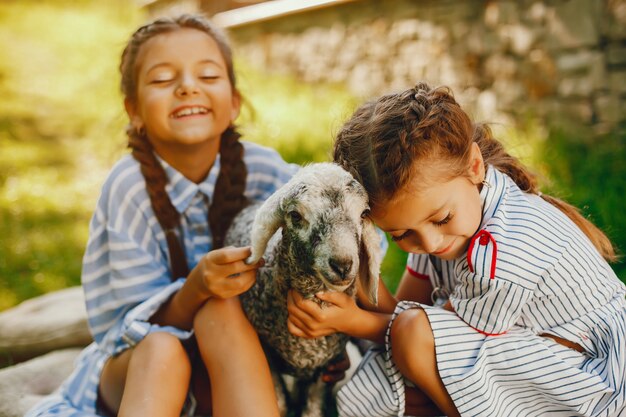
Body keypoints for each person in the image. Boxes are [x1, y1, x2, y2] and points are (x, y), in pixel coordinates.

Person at [286, 82, 626, 417]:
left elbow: (421, 336)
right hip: (534, 360)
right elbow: (404, 312)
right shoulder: (437, 224)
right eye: (402, 234)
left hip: (595, 378)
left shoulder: (505, 248)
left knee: (410, 342)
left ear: (474, 166)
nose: (430, 244)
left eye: (442, 218)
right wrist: (357, 290)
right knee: (398, 367)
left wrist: (352, 323)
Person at [26, 14, 301, 417]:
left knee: (221, 310)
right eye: (161, 80)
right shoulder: (128, 188)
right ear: (133, 109)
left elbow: (335, 215)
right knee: (163, 347)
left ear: (235, 102)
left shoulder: (264, 171)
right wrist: (195, 289)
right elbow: (124, 329)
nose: (188, 87)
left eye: (208, 76)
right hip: (139, 371)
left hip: (229, 366)